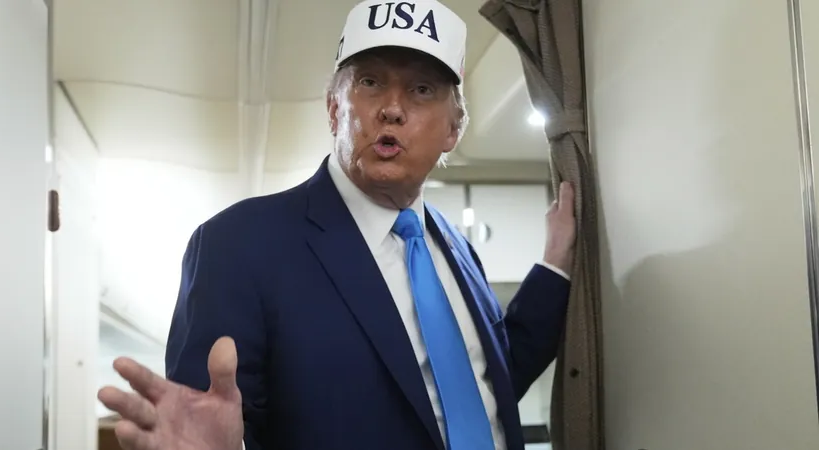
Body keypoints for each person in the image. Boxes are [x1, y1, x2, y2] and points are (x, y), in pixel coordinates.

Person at [96, 1, 576, 449]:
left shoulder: (457, 249)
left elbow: (486, 384)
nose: (392, 108)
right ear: (333, 108)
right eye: (370, 82)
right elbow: (205, 416)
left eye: (422, 89)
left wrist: (556, 265)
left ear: (453, 128)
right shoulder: (238, 245)